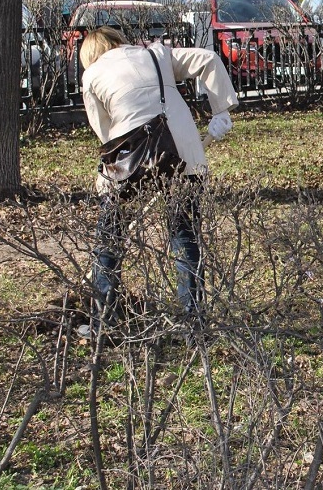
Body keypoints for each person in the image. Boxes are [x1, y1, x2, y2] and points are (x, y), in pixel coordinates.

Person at [77, 27, 240, 339]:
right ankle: (193, 325)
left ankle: (103, 323)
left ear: (89, 56)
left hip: (130, 161)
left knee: (109, 239)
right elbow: (207, 59)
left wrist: (108, 181)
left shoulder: (92, 75)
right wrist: (221, 111)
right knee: (185, 239)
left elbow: (106, 134)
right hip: (183, 152)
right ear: (118, 41)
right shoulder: (156, 54)